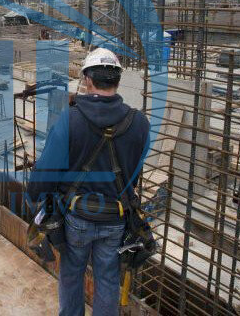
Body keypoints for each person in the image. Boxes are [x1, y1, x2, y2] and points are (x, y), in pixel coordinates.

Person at [27, 48, 151, 316]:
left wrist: (36, 193)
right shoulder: (140, 123)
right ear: (117, 81)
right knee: (108, 278)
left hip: (78, 218)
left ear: (87, 80)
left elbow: (44, 175)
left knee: (72, 273)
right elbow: (133, 174)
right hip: (116, 219)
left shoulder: (70, 120)